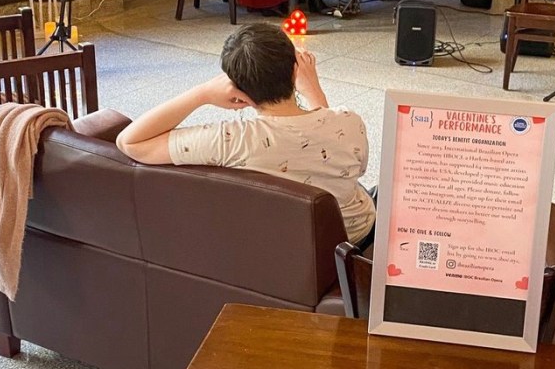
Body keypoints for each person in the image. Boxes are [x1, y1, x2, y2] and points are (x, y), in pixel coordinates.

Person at [115, 24, 375, 245]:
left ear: (236, 88)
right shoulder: (349, 122)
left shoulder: (229, 141)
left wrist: (201, 93)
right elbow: (348, 164)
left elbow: (130, 141)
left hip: (281, 247)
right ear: (295, 71)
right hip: (351, 242)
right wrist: (315, 93)